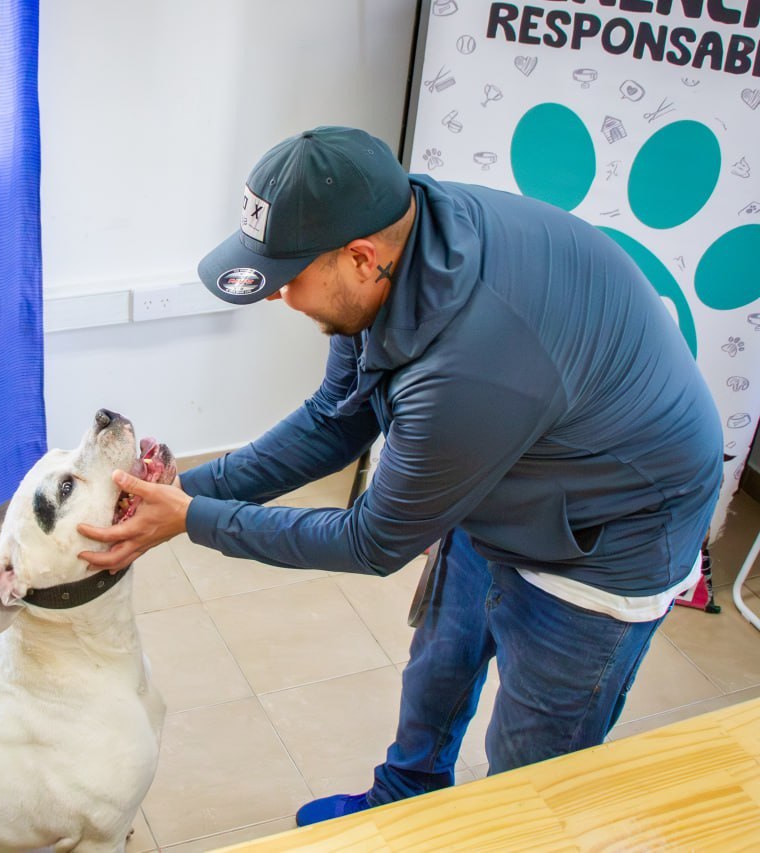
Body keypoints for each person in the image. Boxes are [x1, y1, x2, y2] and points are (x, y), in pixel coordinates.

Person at [78, 127, 722, 825]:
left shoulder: (467, 372)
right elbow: (334, 419)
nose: (276, 296)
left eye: (288, 277)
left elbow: (372, 541)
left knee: (532, 776)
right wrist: (181, 494)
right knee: (439, 664)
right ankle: (404, 800)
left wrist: (192, 520)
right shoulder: (393, 247)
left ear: (360, 259)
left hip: (612, 531)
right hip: (509, 471)